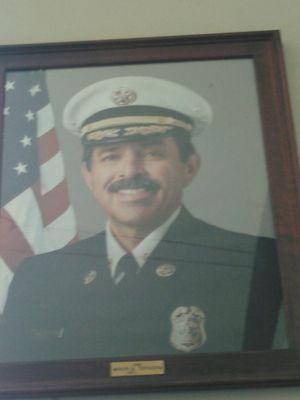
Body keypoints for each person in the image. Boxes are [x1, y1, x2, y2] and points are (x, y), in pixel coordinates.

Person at [0, 76, 282, 362]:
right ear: (88, 174)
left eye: (152, 153)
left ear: (189, 166)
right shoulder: (39, 277)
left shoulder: (262, 264)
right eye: (111, 156)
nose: (131, 171)